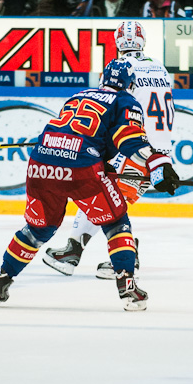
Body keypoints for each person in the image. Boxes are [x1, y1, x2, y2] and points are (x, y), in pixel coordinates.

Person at [0, 57, 180, 311]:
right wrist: (159, 165)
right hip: (81, 168)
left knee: (37, 229)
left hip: (41, 162)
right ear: (130, 84)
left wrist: (101, 161)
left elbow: (76, 132)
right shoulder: (126, 100)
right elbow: (131, 142)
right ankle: (128, 289)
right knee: (115, 222)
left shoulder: (78, 95)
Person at [43, 21, 173, 279]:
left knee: (100, 196)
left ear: (116, 43)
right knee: (107, 200)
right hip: (160, 152)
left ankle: (121, 259)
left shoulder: (121, 68)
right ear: (143, 41)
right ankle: (78, 251)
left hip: (135, 147)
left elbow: (108, 107)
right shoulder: (160, 66)